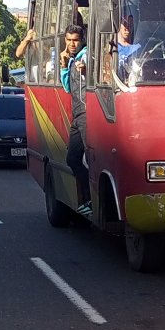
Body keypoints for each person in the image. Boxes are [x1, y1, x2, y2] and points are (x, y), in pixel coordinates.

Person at [60, 24, 91, 216]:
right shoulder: (71, 60)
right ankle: (88, 198)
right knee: (72, 159)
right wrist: (64, 66)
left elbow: (94, 69)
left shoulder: (87, 55)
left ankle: (91, 200)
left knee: (93, 159)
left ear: (82, 41)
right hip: (77, 114)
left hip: (88, 113)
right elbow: (67, 89)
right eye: (69, 40)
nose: (72, 44)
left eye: (76, 40)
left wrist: (86, 68)